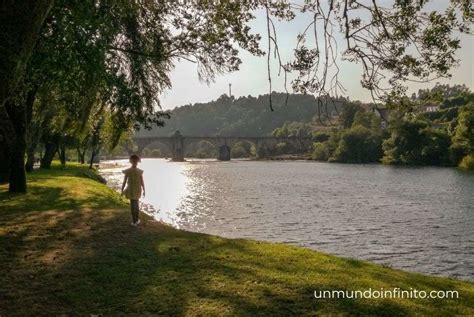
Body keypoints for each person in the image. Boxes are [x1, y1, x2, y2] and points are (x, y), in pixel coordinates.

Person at [121, 155, 145, 226]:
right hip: (137, 189)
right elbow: (142, 181)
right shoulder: (139, 171)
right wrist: (144, 190)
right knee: (136, 205)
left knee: (133, 205)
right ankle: (136, 220)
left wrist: (122, 189)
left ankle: (134, 221)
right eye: (135, 161)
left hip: (131, 189)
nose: (135, 163)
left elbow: (124, 181)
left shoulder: (128, 171)